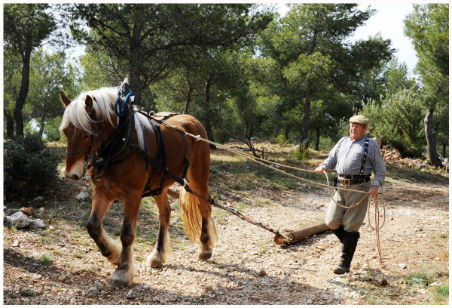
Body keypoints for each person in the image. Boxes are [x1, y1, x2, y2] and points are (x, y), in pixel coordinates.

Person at [315, 114, 385, 274]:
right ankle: (350, 241)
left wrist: (375, 185)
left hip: (359, 188)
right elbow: (331, 159)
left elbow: (380, 169)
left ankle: (344, 264)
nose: (353, 128)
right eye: (352, 125)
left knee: (351, 225)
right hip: (340, 186)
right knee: (331, 221)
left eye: (358, 126)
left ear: (365, 128)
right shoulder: (343, 141)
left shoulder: (371, 144)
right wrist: (323, 166)